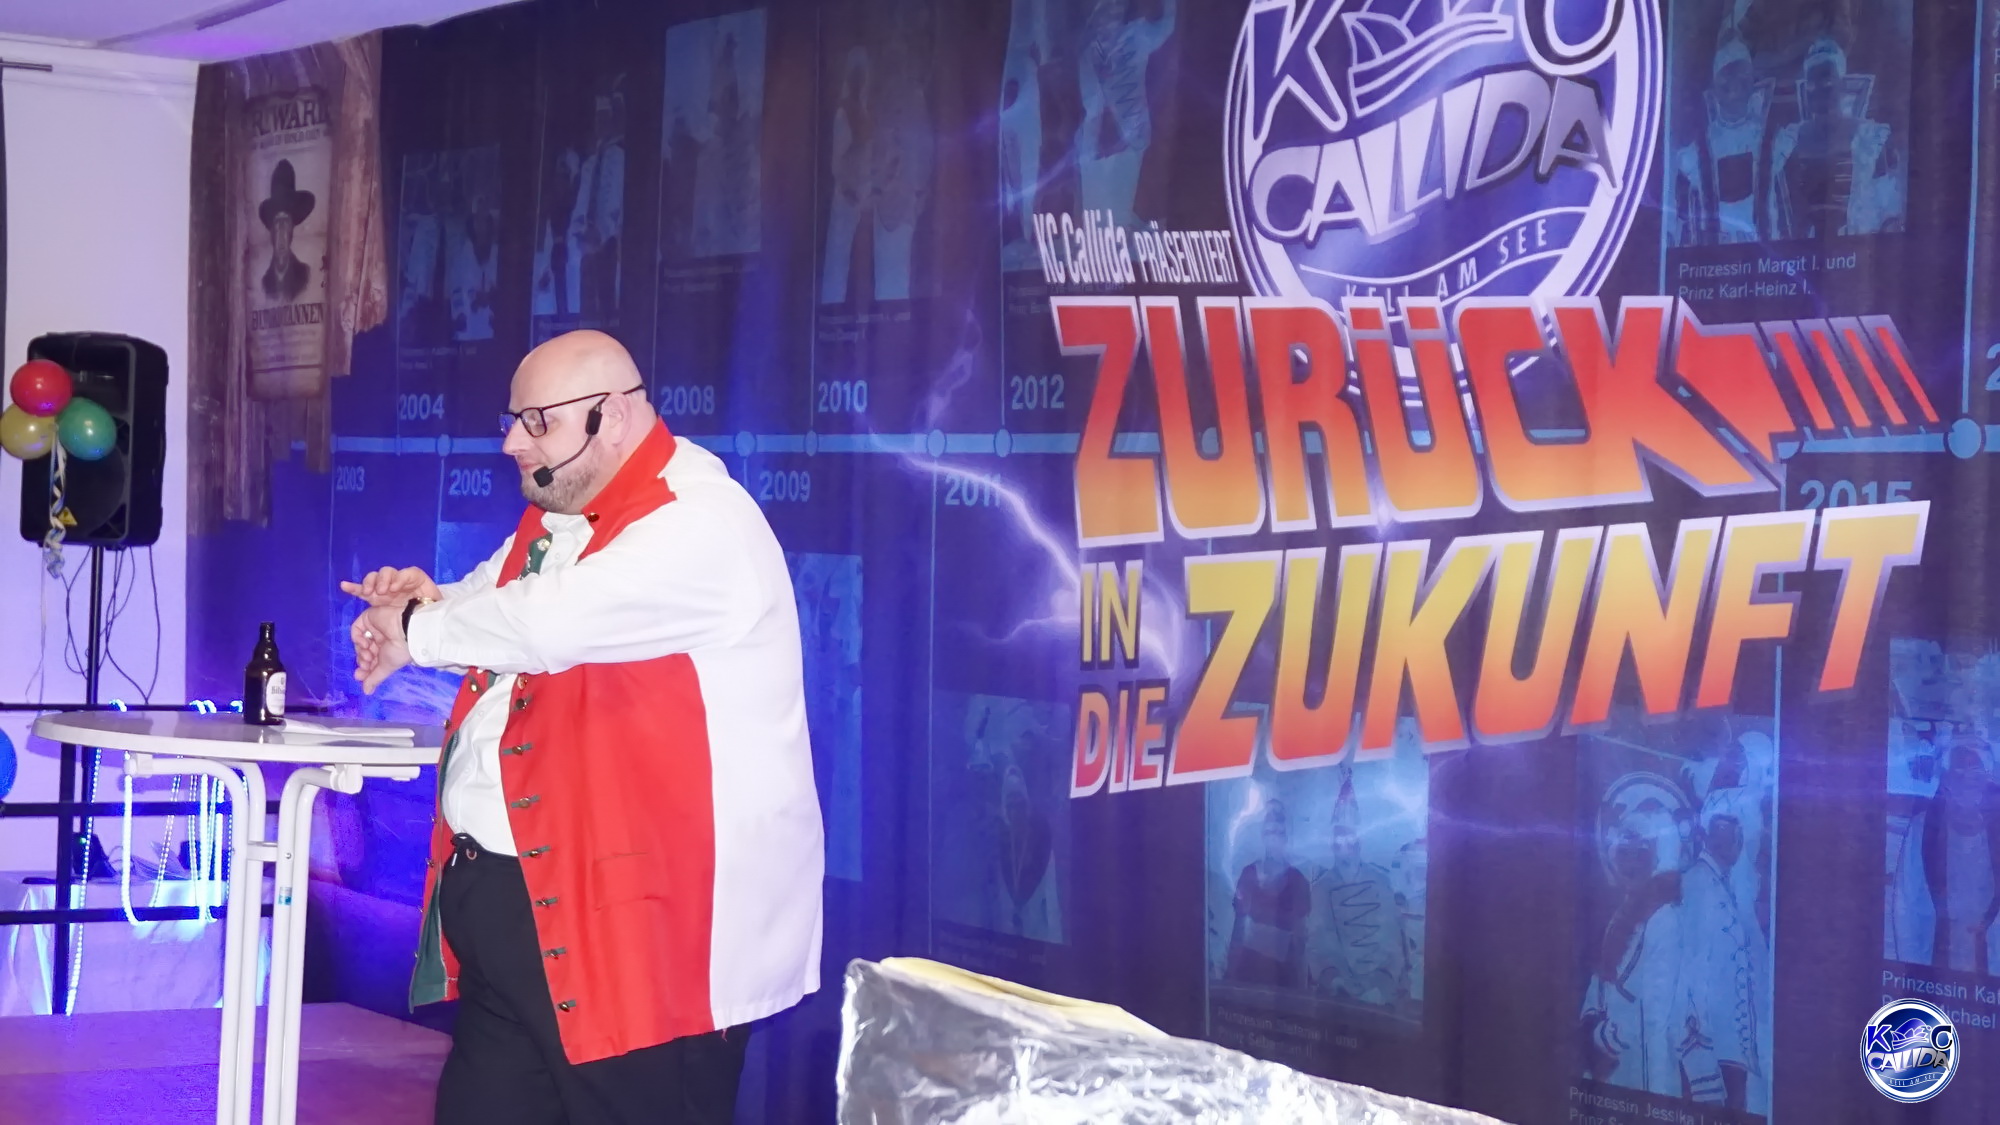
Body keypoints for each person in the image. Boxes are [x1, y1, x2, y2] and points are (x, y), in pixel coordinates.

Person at [342, 330, 824, 1125]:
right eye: (513, 420)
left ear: (614, 415)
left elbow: (551, 623)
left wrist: (420, 629)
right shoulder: (562, 512)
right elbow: (497, 597)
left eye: (538, 421)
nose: (512, 442)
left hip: (646, 944)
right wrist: (429, 604)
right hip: (525, 912)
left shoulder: (702, 522)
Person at [259, 158, 315, 302]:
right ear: (271, 230)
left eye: (286, 223)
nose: (281, 232)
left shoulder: (304, 277)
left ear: (292, 229)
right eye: (277, 223)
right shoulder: (265, 283)